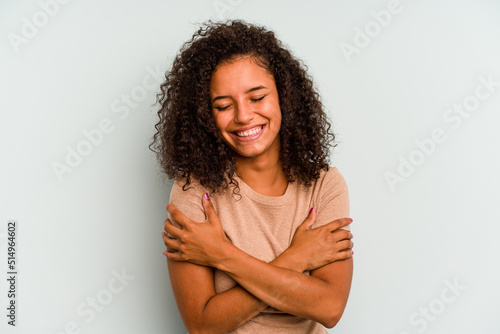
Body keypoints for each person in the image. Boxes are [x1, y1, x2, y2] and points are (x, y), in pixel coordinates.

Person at [151, 20, 354, 334]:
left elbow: (328, 307)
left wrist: (221, 253)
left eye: (257, 98)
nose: (243, 116)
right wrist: (297, 258)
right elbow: (202, 324)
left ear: (284, 98)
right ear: (205, 115)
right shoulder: (194, 192)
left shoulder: (324, 185)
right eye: (223, 105)